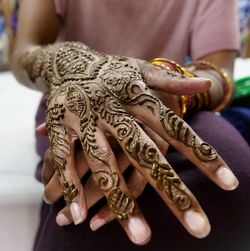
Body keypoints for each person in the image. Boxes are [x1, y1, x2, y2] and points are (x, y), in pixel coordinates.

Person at [11, 0, 250, 251]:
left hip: (170, 104)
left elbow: (218, 73)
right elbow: (24, 50)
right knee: (90, 172)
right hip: (70, 102)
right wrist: (71, 62)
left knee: (231, 170)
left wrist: (162, 88)